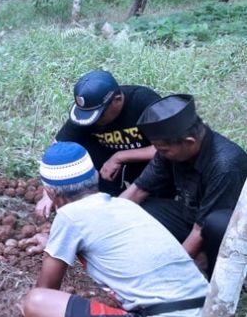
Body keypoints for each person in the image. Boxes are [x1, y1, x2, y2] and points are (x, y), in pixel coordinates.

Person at [21, 142, 209, 317]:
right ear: (94, 177)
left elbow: (47, 288)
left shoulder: (69, 216)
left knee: (36, 303)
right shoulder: (124, 206)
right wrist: (54, 243)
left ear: (50, 191)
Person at [121, 94, 247, 276]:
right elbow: (138, 191)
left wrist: (172, 271)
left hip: (224, 229)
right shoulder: (169, 150)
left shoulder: (225, 166)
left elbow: (202, 228)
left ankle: (212, 272)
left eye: (162, 149)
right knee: (140, 209)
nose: (158, 153)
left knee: (216, 224)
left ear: (189, 142)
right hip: (192, 215)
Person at [35, 70, 161, 217]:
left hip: (146, 168)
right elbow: (57, 149)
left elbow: (168, 148)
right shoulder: (88, 111)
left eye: (99, 116)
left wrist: (121, 156)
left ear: (118, 99)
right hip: (106, 172)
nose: (93, 121)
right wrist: (48, 194)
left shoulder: (143, 102)